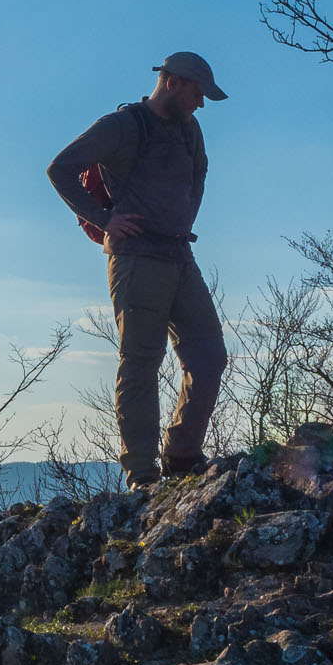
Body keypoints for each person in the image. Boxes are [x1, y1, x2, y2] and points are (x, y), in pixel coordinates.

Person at [48, 51, 230, 489]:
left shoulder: (191, 130)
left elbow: (198, 179)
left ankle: (183, 456)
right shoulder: (122, 126)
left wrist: (181, 224)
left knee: (209, 356)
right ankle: (143, 475)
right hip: (135, 258)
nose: (201, 104)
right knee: (142, 363)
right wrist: (105, 219)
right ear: (172, 83)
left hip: (179, 255)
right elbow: (60, 169)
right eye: (197, 93)